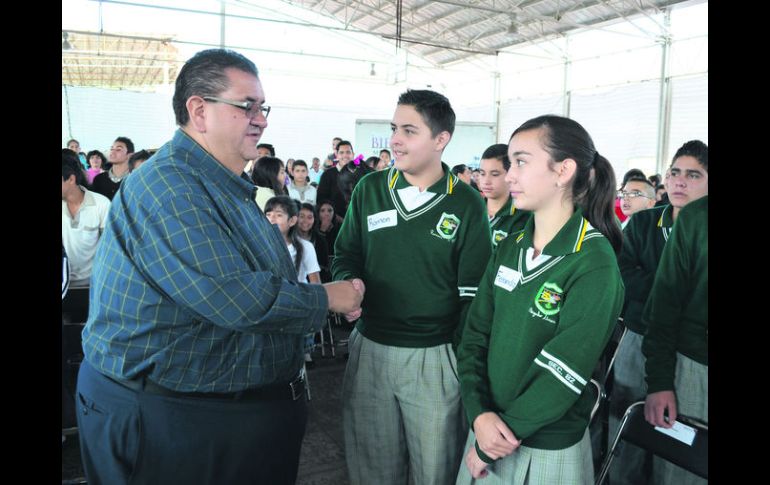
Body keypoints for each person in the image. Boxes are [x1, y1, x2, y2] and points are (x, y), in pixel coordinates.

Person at [75, 48, 364, 485]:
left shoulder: (223, 185)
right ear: (199, 110)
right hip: (173, 423)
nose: (261, 119)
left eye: (262, 107)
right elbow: (234, 298)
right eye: (246, 106)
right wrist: (327, 296)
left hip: (220, 419)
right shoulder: (170, 186)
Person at [332, 89, 492, 485]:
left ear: (441, 140)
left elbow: (474, 297)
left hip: (433, 357)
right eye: (393, 129)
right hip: (370, 349)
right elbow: (345, 252)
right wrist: (349, 283)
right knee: (371, 466)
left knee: (434, 469)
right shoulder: (370, 189)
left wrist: (459, 362)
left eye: (408, 130)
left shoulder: (467, 204)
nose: (395, 140)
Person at [456, 114, 624, 484]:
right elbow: (474, 335)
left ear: (563, 170)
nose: (509, 174)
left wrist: (494, 438)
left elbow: (563, 371)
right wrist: (479, 413)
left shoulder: (593, 262)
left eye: (520, 161)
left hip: (545, 446)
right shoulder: (512, 245)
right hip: (487, 429)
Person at [610, 140, 707, 485]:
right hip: (641, 334)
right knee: (630, 422)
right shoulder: (645, 224)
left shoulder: (697, 224)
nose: (680, 182)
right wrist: (675, 294)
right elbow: (622, 274)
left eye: (693, 174)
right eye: (675, 173)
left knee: (681, 440)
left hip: (683, 344)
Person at [642, 195, 707, 485]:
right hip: (695, 368)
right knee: (680, 475)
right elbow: (665, 303)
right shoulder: (696, 218)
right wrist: (660, 382)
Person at [477, 143, 530, 248]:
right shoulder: (472, 209)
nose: (486, 181)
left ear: (510, 174)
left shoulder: (522, 218)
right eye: (482, 173)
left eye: (495, 174)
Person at [317, 139, 356, 219]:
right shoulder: (327, 174)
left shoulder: (359, 173)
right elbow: (321, 200)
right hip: (333, 222)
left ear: (353, 154)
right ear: (337, 155)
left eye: (348, 152)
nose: (345, 155)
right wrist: (335, 217)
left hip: (356, 221)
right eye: (341, 152)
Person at [297, 202, 331, 282]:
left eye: (309, 217)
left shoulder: (320, 240)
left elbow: (324, 267)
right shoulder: (289, 238)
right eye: (301, 217)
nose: (305, 221)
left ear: (314, 220)